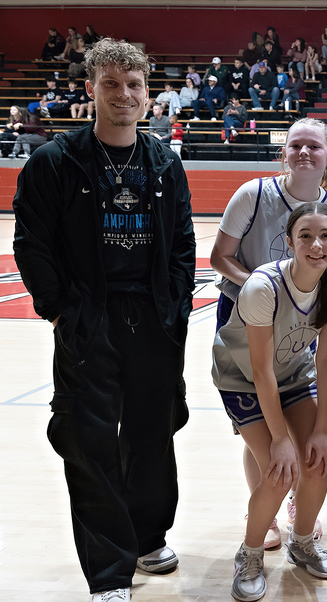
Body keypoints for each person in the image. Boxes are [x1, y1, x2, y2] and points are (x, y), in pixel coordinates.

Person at [12, 38, 195, 602]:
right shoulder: (55, 161)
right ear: (91, 89)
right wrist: (59, 309)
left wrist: (177, 307)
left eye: (134, 85)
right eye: (111, 84)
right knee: (88, 443)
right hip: (90, 319)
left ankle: (147, 538)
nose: (124, 95)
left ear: (149, 94)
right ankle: (109, 573)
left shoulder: (164, 161)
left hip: (153, 320)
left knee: (152, 433)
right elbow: (32, 243)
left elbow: (183, 244)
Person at [210, 118, 327, 549]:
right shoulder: (253, 193)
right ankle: (263, 518)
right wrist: (268, 289)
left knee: (298, 447)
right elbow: (219, 257)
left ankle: (296, 514)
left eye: (314, 146)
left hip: (296, 330)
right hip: (247, 319)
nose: (304, 153)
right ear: (283, 153)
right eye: (296, 146)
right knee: (267, 443)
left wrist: (293, 296)